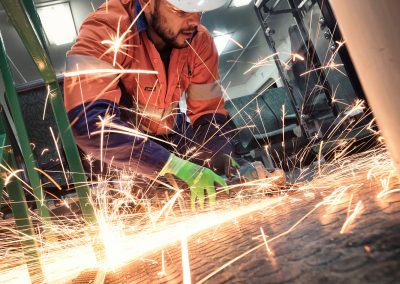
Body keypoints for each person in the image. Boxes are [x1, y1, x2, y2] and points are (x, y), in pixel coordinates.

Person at [64, 0, 241, 208]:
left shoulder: (200, 41)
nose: (194, 21)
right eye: (181, 11)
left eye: (198, 10)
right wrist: (170, 165)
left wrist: (219, 155)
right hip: (112, 147)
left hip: (170, 134)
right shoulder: (106, 27)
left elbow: (210, 114)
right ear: (147, 3)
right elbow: (89, 123)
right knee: (132, 203)